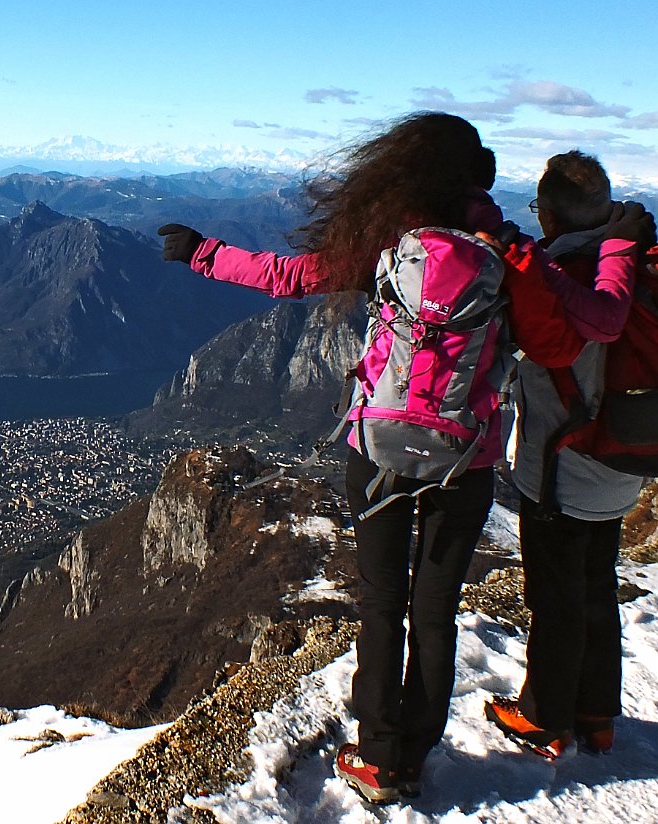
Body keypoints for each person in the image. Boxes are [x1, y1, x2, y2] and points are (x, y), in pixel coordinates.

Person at [157, 113, 646, 804]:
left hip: (378, 448)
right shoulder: (506, 252)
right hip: (464, 458)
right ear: (480, 180)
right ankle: (417, 750)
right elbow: (569, 341)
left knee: (383, 602)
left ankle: (379, 757)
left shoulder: (389, 237)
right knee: (435, 608)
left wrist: (202, 252)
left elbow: (289, 276)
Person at [483, 151, 651, 759]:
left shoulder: (555, 278)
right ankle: (597, 715)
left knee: (553, 597)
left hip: (559, 469)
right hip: (625, 459)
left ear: (548, 215)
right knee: (596, 588)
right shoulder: (633, 265)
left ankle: (544, 716)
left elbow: (541, 361)